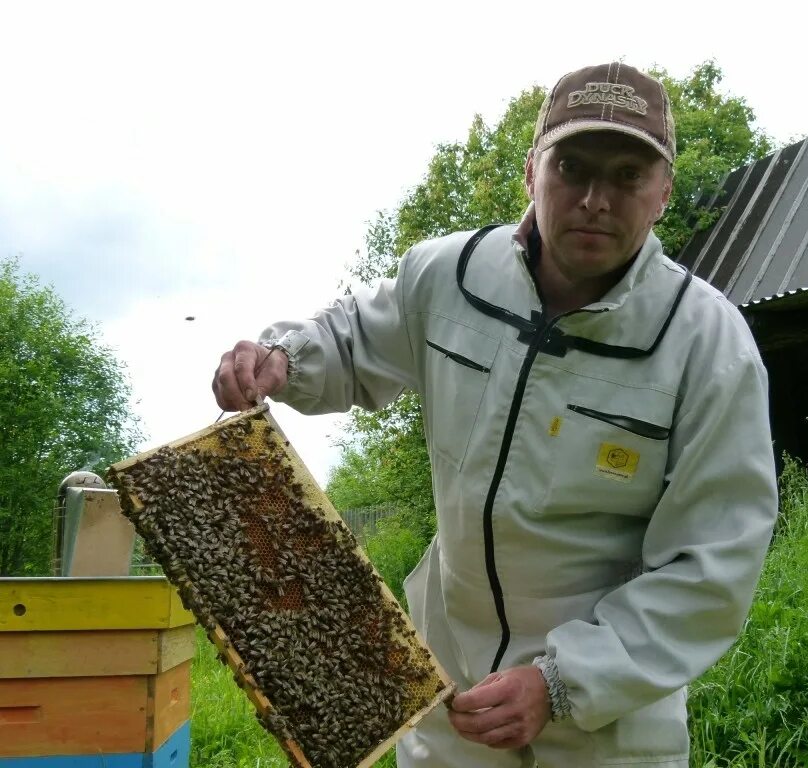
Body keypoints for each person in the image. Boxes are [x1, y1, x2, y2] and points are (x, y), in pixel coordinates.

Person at [214, 62, 778, 767]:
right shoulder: (448, 276)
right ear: (531, 173)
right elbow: (352, 341)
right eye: (572, 167)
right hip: (449, 702)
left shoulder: (709, 346)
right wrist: (280, 360)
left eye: (628, 174)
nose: (596, 199)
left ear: (662, 192)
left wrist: (560, 684)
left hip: (606, 725)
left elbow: (712, 566)